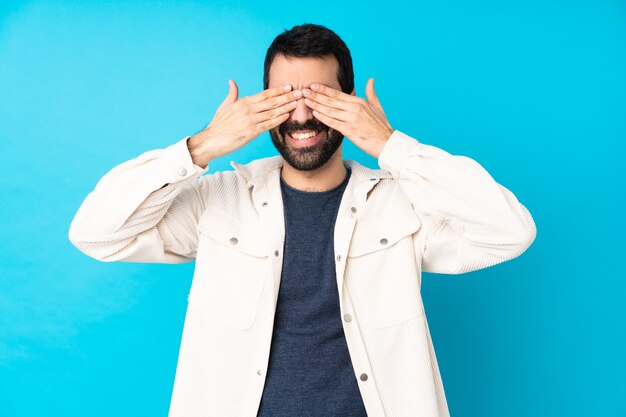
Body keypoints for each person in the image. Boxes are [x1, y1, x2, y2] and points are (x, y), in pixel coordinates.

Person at [68, 23, 536, 417]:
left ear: (351, 104)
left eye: (320, 97)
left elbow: (510, 232)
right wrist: (202, 146)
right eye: (283, 97)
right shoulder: (219, 202)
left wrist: (392, 146)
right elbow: (96, 234)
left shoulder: (400, 205)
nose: (302, 115)